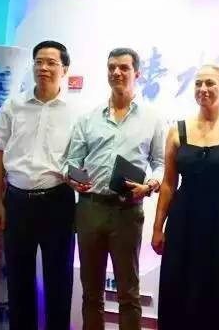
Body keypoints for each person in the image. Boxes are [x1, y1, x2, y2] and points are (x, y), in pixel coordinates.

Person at [62, 47, 165, 330]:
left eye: (123, 68)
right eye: (111, 68)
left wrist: (149, 185)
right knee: (91, 293)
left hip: (127, 211)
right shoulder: (88, 118)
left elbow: (160, 163)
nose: (116, 73)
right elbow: (70, 161)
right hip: (90, 208)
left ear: (137, 74)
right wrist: (72, 177)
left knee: (128, 293)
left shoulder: (152, 119)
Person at [152, 64, 219, 330]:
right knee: (178, 291)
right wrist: (157, 227)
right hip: (183, 222)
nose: (203, 89)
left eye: (210, 83)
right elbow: (168, 183)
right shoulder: (177, 130)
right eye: (198, 84)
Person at [0, 40, 76, 330]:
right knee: (18, 280)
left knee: (59, 280)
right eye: (39, 62)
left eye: (51, 62)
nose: (43, 68)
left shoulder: (77, 112)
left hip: (58, 202)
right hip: (16, 202)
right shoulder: (13, 106)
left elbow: (81, 158)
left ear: (64, 69)